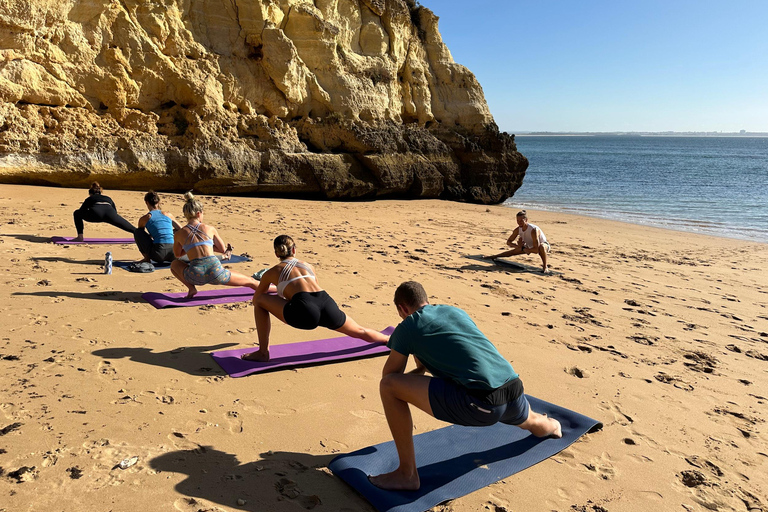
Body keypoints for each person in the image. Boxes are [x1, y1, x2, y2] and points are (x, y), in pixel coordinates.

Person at [368, 281, 562, 491]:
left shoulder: (408, 325)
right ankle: (552, 426)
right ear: (426, 299)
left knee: (388, 386)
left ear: (402, 308)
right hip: (512, 386)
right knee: (533, 421)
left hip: (482, 402)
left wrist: (420, 370)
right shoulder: (454, 311)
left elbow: (390, 377)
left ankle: (407, 474)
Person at [241, 234, 389, 362]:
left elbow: (257, 297)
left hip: (304, 309)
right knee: (359, 330)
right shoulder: (308, 266)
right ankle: (388, 339)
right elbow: (312, 287)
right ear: (294, 250)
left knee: (260, 302)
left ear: (276, 254)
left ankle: (263, 352)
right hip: (326, 302)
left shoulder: (271, 272)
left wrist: (280, 298)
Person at [170, 192, 259, 298]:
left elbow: (178, 254)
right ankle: (278, 290)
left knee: (174, 264)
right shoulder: (209, 229)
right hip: (216, 272)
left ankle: (191, 288)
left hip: (195, 275)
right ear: (199, 213)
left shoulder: (179, 233)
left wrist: (189, 246)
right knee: (251, 281)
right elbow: (222, 249)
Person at [484, 210, 551, 273]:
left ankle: (545, 267)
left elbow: (536, 250)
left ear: (526, 220)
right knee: (512, 252)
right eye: (517, 221)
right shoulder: (518, 229)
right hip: (528, 246)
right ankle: (493, 256)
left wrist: (524, 249)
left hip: (542, 245)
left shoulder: (533, 230)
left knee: (541, 247)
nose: (519, 223)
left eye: (521, 221)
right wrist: (518, 246)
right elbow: (509, 242)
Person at [134, 191, 181, 264]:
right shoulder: (168, 215)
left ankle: (146, 258)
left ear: (147, 203)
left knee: (137, 232)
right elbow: (181, 229)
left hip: (158, 254)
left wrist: (153, 235)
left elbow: (141, 235)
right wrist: (170, 232)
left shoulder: (145, 218)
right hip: (173, 253)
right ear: (158, 202)